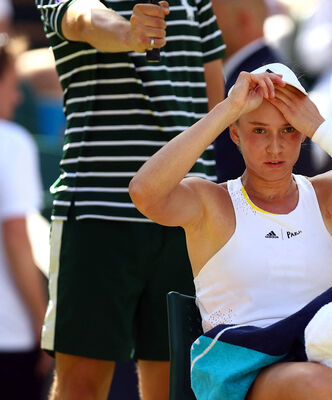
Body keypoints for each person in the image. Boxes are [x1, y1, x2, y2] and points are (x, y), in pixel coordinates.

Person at [129, 63, 332, 400]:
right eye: (259, 130)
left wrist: (321, 127)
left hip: (326, 353)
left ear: (302, 133)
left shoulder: (330, 193)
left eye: (288, 129)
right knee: (318, 383)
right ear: (235, 134)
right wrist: (228, 109)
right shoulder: (211, 201)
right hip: (242, 366)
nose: (275, 146)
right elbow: (144, 192)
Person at [34, 0, 225, 398]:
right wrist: (130, 33)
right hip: (98, 216)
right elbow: (83, 19)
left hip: (187, 217)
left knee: (175, 387)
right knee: (80, 386)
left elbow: (213, 97)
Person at [0, 34, 53, 400]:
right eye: (11, 84)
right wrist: (41, 323)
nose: (17, 97)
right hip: (9, 337)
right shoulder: (12, 142)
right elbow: (16, 237)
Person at [211, 0, 314, 182]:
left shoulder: (259, 81)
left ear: (243, 19)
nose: (203, 28)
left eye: (211, 18)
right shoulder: (265, 70)